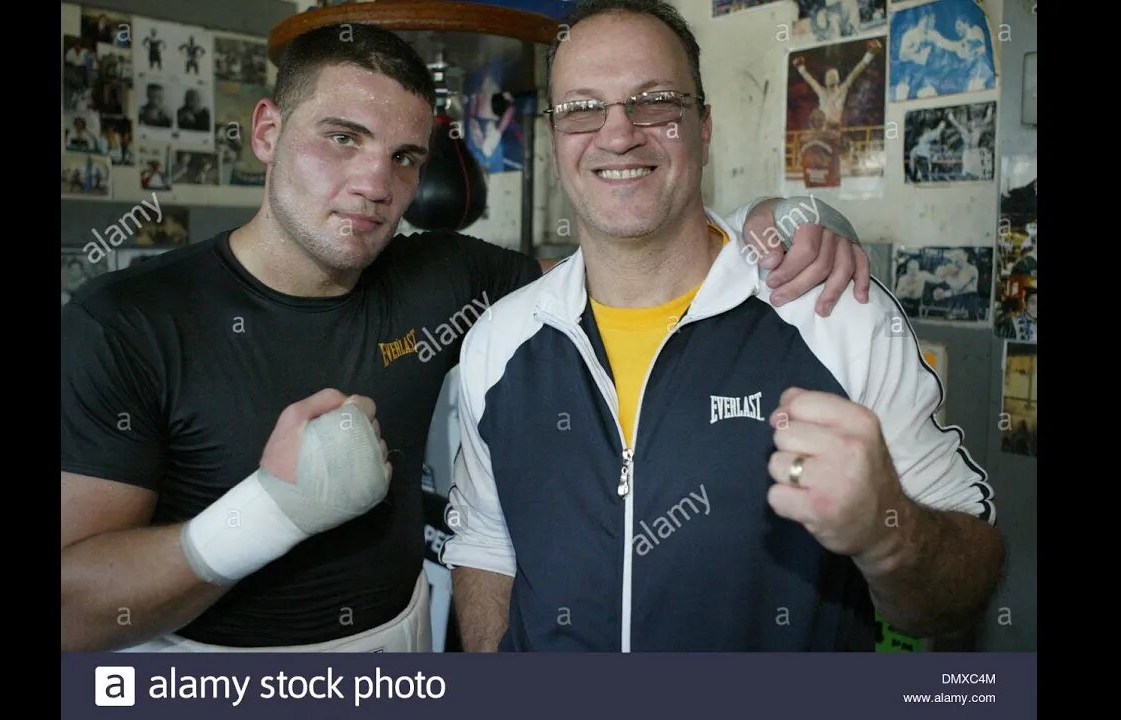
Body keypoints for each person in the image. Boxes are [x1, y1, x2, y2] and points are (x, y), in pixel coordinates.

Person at [61, 21, 866, 653]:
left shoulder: (444, 278)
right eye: (342, 137)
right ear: (267, 130)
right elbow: (72, 609)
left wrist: (779, 223)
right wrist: (269, 512)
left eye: (405, 157)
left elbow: (629, 259)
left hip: (403, 650)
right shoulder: (125, 322)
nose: (378, 185)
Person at [442, 0, 1002, 652]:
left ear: (703, 127)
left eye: (653, 101)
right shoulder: (500, 341)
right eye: (583, 108)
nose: (617, 134)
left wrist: (887, 533)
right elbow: (485, 539)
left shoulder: (830, 314)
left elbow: (969, 580)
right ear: (556, 136)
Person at [792, 38, 879, 128]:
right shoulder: (822, 92)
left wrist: (870, 54)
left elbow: (856, 71)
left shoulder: (842, 89)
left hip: (835, 126)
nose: (830, 78)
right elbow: (810, 80)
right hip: (823, 127)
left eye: (832, 76)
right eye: (829, 76)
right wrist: (800, 67)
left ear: (837, 79)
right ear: (825, 80)